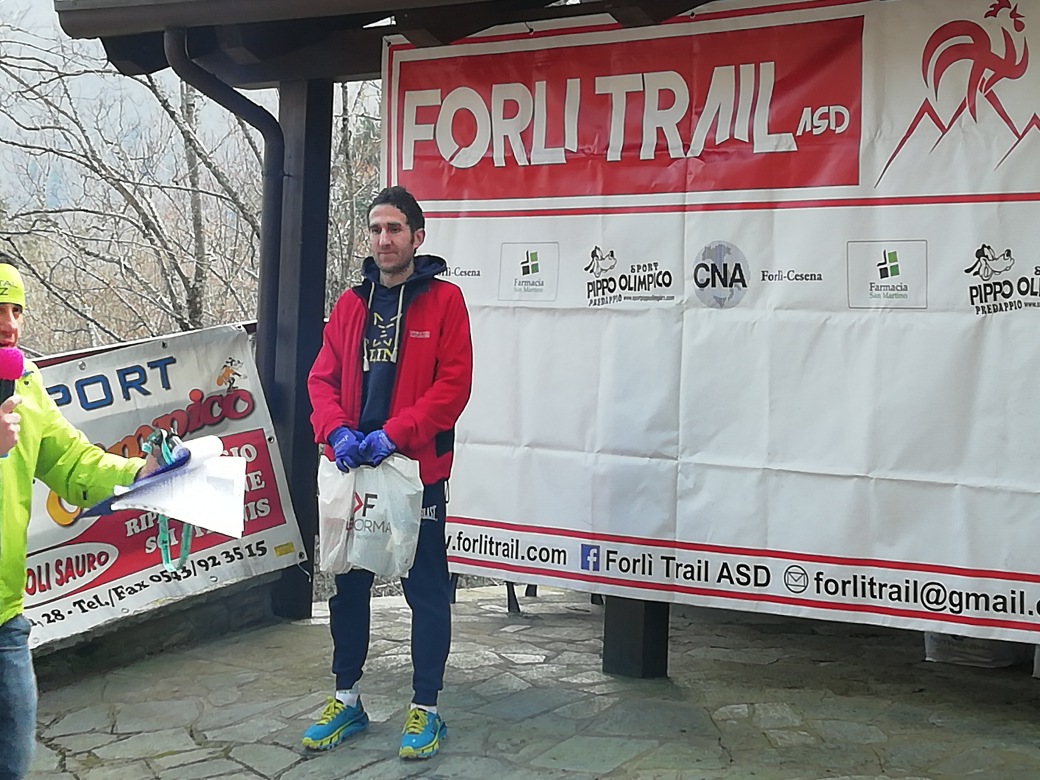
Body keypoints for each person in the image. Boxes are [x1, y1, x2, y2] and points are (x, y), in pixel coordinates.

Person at [305, 185, 472, 760]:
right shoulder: (351, 304)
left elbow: (453, 387)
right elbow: (321, 379)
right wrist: (337, 432)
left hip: (413, 470)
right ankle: (346, 698)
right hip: (354, 467)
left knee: (424, 588)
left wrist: (395, 434)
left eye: (395, 229)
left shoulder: (445, 301)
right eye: (376, 229)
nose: (384, 239)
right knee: (348, 584)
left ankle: (426, 707)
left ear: (417, 237)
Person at [0, 257, 158, 780]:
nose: (9, 324)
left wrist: (141, 471)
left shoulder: (24, 384)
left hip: (5, 617)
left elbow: (72, 463)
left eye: (17, 310)